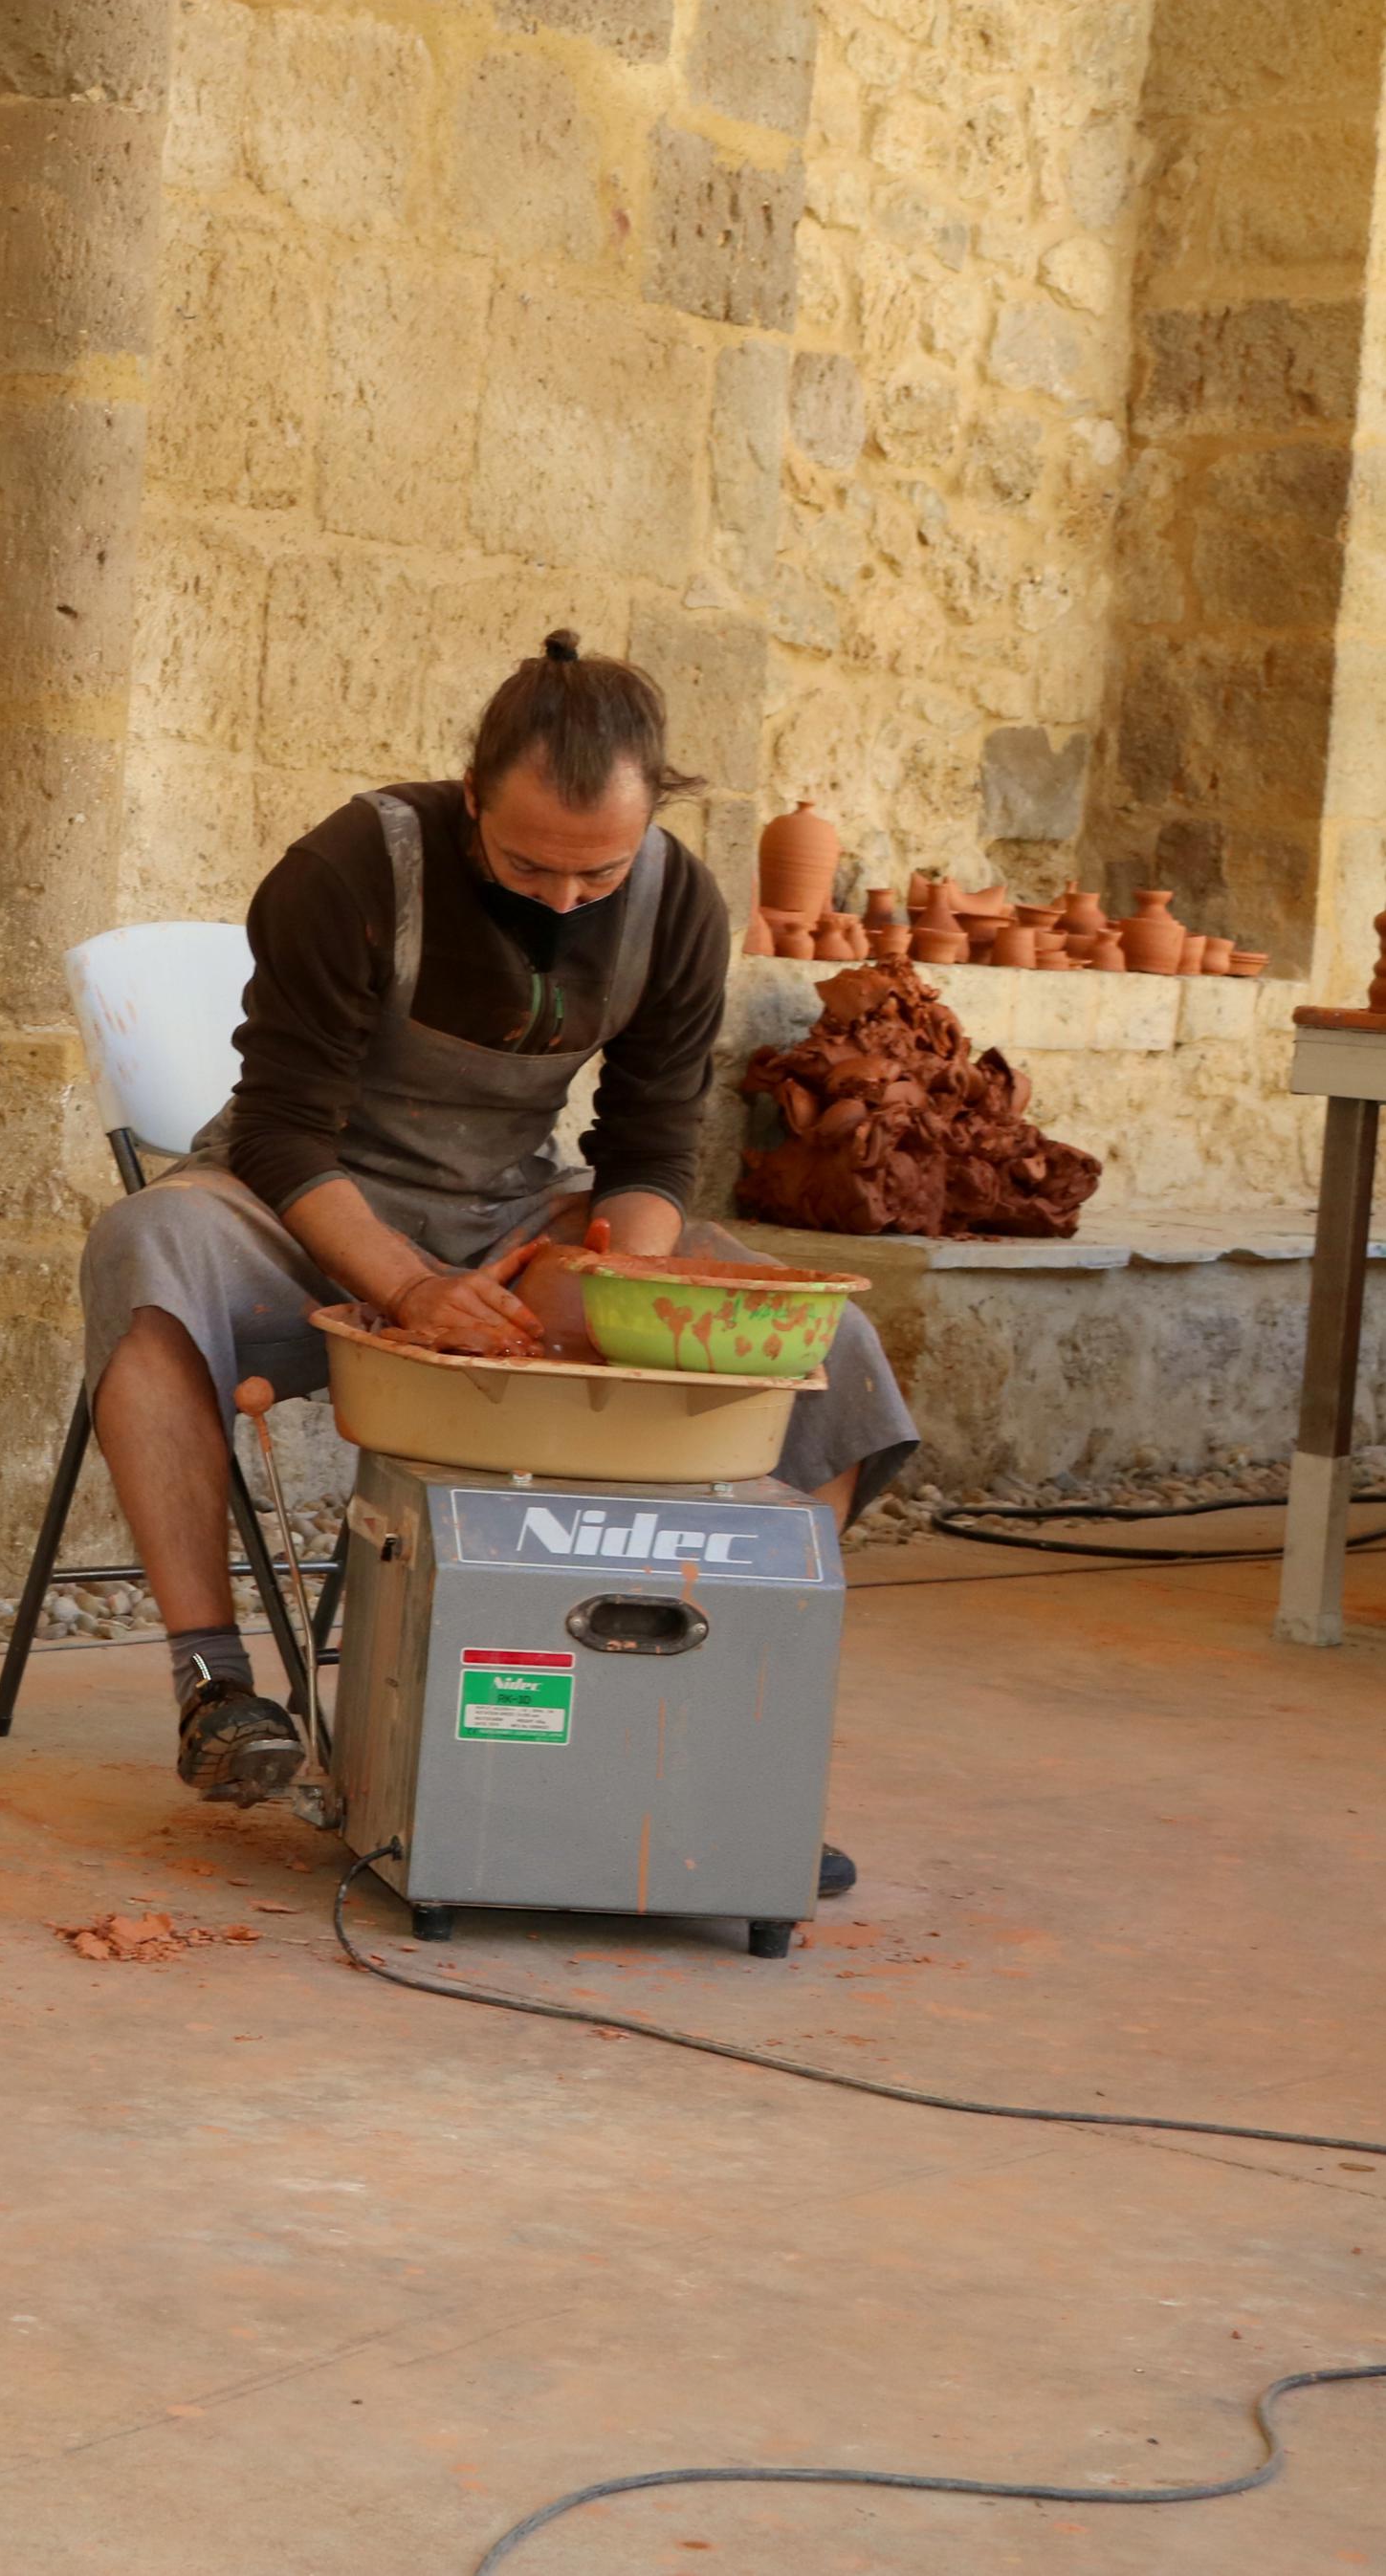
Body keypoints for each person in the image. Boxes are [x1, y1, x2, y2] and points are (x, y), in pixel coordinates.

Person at [77, 632, 914, 1882]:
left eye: (600, 872)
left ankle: (720, 1739)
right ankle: (219, 1689)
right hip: (311, 1205)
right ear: (473, 799)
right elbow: (282, 1131)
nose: (563, 899)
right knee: (145, 1247)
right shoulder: (355, 867)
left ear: (650, 829)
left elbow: (647, 1148)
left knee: (823, 1339)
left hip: (517, 1211)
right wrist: (410, 1287)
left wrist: (620, 1288)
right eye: (530, 864)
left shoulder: (679, 905)